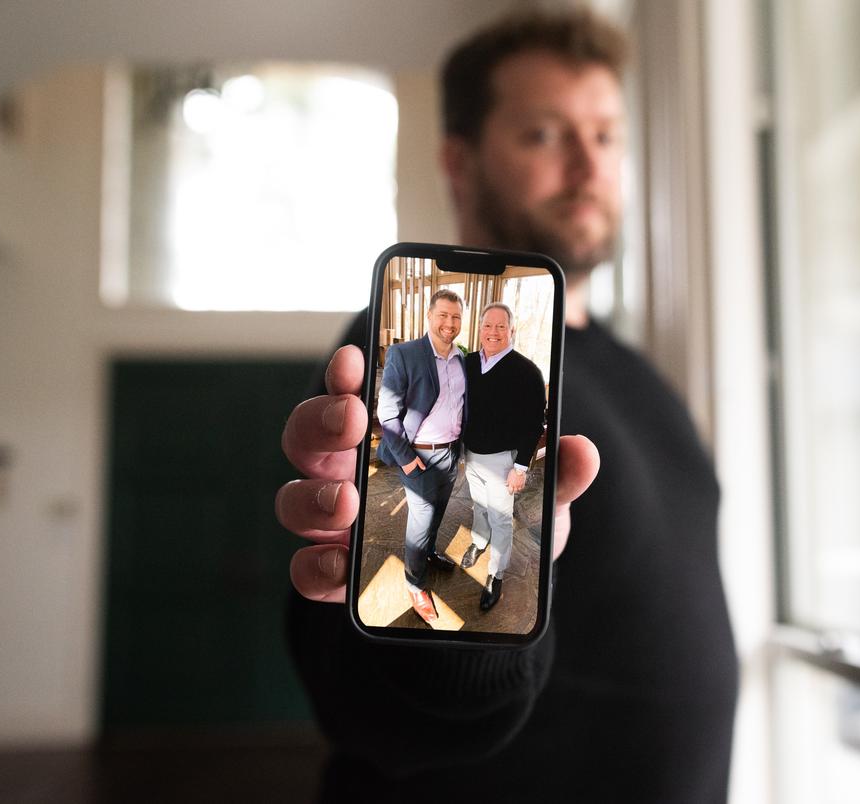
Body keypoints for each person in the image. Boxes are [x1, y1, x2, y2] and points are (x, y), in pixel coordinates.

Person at [275, 8, 737, 802]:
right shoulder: (406, 352)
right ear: (460, 164)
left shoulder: (640, 375)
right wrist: (457, 637)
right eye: (545, 135)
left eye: (606, 135)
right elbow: (370, 710)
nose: (589, 166)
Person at [374, 288, 467, 623]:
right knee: (419, 524)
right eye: (442, 314)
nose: (449, 322)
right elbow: (387, 415)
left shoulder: (462, 359)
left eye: (456, 316)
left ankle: (428, 553)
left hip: (449, 455)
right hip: (418, 458)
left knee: (439, 514)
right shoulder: (404, 353)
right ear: (430, 316)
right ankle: (415, 584)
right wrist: (408, 460)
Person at [460, 302, 547, 611]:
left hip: (503, 462)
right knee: (478, 506)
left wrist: (520, 467)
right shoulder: (468, 363)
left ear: (511, 331)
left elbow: (535, 422)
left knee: (500, 519)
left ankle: (495, 575)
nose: (493, 332)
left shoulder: (527, 372)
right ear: (480, 329)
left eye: (500, 327)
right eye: (487, 326)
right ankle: (478, 542)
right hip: (471, 455)